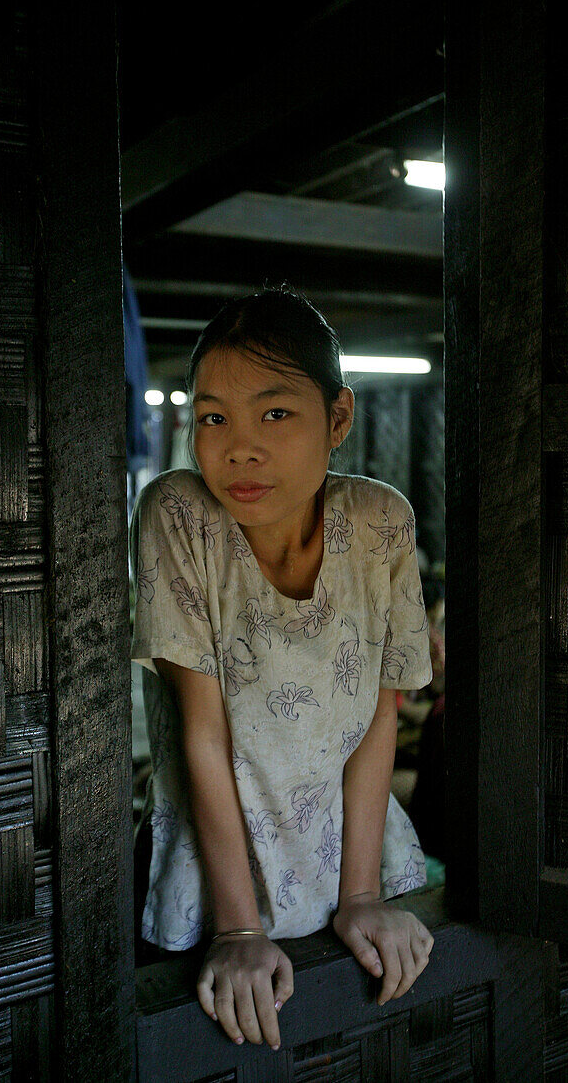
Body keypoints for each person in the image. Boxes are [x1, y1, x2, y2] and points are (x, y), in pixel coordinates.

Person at [129, 286, 435, 1052]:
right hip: (216, 870)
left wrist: (361, 895)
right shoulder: (180, 516)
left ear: (338, 419)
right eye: (211, 418)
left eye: (274, 413)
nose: (239, 447)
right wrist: (236, 926)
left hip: (353, 854)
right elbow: (204, 735)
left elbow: (378, 712)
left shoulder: (381, 523)